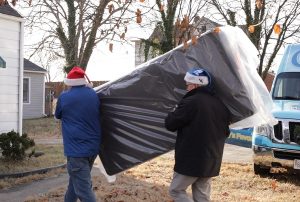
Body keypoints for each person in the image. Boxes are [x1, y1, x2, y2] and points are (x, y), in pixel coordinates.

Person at [165, 68, 230, 202]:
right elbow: (226, 132)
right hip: (211, 161)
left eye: (188, 84)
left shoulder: (191, 102)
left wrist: (174, 111)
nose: (187, 88)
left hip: (191, 161)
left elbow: (170, 124)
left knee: (176, 191)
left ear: (196, 84)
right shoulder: (221, 105)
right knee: (202, 197)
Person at [55, 66, 101, 202]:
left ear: (69, 83)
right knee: (75, 184)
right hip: (92, 149)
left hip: (76, 151)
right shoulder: (93, 94)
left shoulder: (64, 97)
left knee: (83, 190)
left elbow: (57, 116)